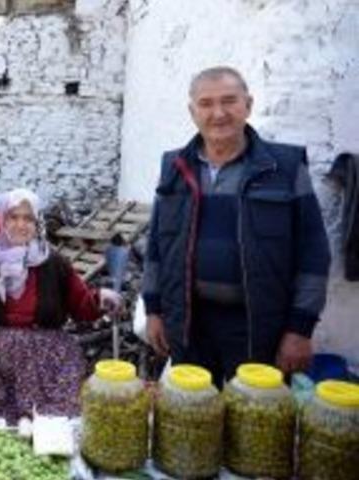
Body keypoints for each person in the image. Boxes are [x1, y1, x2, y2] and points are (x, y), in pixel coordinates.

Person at [142, 66, 331, 386]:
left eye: (229, 100)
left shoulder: (283, 167)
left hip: (260, 325)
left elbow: (314, 253)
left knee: (256, 425)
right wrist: (154, 310)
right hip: (190, 323)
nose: (218, 113)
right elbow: (157, 247)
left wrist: (300, 329)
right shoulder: (175, 167)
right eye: (206, 103)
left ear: (249, 104)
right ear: (192, 112)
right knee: (193, 419)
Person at [0, 188, 123, 423]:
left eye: (28, 218)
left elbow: (81, 305)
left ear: (37, 224)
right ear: (1, 220)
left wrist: (99, 299)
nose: (20, 225)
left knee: (59, 419)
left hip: (44, 359)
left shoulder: (54, 263)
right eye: (13, 217)